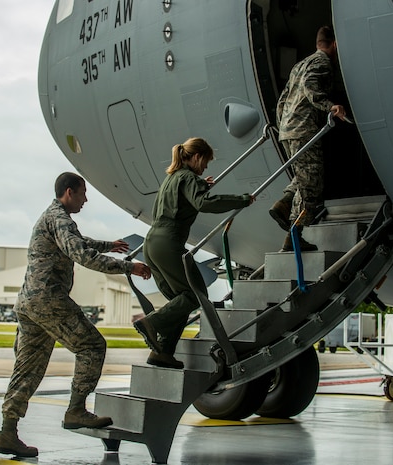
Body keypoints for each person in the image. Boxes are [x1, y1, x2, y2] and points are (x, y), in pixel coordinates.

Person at [0, 172, 152, 458]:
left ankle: (7, 431)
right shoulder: (61, 218)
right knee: (92, 346)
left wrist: (109, 245)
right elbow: (81, 254)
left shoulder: (53, 217)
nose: (85, 199)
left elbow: (78, 241)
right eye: (83, 193)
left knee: (27, 369)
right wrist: (129, 267)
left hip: (29, 304)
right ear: (69, 192)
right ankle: (76, 410)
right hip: (48, 300)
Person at [133, 138, 255, 369]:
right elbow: (203, 203)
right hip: (169, 243)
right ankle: (152, 324)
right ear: (197, 156)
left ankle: (163, 353)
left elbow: (184, 199)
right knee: (196, 294)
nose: (205, 168)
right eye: (206, 162)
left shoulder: (172, 178)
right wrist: (243, 200)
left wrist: (201, 185)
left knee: (179, 301)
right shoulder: (188, 178)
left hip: (152, 244)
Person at [268, 25, 347, 251]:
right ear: (335, 44)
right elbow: (310, 87)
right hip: (304, 131)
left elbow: (282, 100)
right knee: (311, 184)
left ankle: (284, 204)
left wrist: (283, 127)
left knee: (304, 176)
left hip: (289, 130)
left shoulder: (299, 65)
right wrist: (332, 107)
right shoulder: (322, 63)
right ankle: (294, 236)